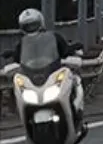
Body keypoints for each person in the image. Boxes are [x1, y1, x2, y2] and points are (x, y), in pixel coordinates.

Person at [10, 9, 86, 137]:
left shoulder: (53, 37)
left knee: (71, 81)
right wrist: (11, 58)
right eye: (27, 26)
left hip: (52, 74)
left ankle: (76, 115)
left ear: (41, 23)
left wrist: (72, 49)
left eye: (33, 25)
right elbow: (17, 60)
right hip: (33, 77)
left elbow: (65, 50)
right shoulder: (22, 44)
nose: (31, 28)